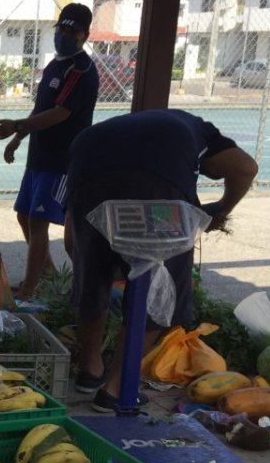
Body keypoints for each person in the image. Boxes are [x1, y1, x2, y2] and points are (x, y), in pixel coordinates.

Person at [65, 110, 256, 411]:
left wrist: (91, 261)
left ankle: (90, 371)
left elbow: (71, 241)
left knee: (92, 277)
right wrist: (220, 209)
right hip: (157, 189)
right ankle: (116, 389)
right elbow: (245, 168)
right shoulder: (200, 131)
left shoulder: (109, 132)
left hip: (87, 177)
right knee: (159, 286)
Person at [0, 3, 99, 308]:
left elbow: (60, 114)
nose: (63, 36)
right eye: (60, 29)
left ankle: (29, 292)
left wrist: (17, 125)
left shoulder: (81, 71)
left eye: (71, 31)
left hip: (61, 161)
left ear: (84, 35)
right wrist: (18, 137)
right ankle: (49, 277)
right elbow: (40, 110)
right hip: (39, 157)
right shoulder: (54, 66)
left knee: (39, 221)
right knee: (24, 216)